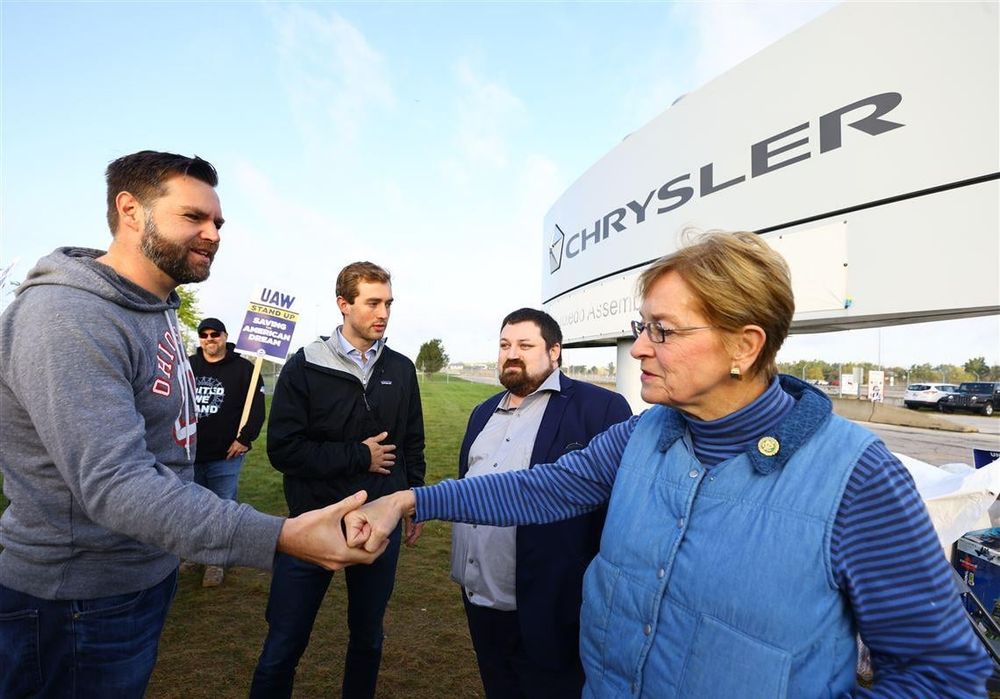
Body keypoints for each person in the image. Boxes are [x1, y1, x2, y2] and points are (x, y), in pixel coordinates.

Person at [347, 231, 992, 697]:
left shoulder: (858, 478)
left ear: (744, 345)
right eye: (642, 326)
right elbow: (544, 489)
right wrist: (411, 500)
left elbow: (942, 673)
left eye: (663, 330)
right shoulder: (641, 436)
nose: (640, 348)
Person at [0, 151, 381, 699]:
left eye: (218, 222)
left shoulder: (153, 310)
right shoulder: (70, 318)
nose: (213, 233)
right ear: (130, 210)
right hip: (75, 601)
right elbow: (115, 484)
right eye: (193, 217)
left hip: (138, 578)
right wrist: (280, 535)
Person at [250, 261, 426, 699]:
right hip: (313, 524)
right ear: (343, 304)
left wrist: (415, 498)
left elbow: (412, 443)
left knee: (368, 638)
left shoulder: (401, 368)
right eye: (372, 302)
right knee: (284, 644)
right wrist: (358, 456)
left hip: (378, 525)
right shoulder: (304, 367)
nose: (383, 312)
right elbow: (284, 450)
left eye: (388, 302)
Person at [453, 308, 631, 698]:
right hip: (480, 598)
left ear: (555, 352)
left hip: (550, 606)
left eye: (524, 345)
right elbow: (468, 487)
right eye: (504, 345)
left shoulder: (600, 408)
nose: (511, 353)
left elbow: (614, 514)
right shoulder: (483, 413)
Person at [188, 316, 266, 587]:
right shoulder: (188, 366)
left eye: (214, 334)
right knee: (192, 507)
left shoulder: (244, 369)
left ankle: (216, 561)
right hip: (191, 453)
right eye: (204, 335)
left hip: (226, 454)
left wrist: (245, 439)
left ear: (224, 336)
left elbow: (257, 408)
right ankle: (193, 554)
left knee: (222, 508)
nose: (209, 339)